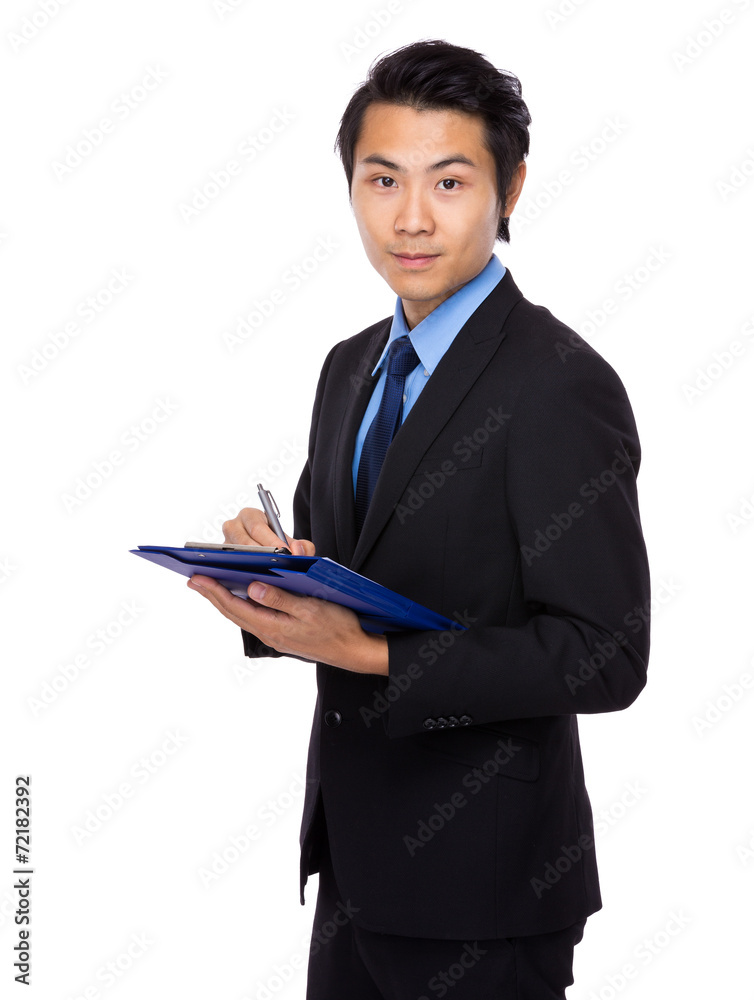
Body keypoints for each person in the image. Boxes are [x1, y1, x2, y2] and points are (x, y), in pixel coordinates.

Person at [188, 38, 650, 1000]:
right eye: (381, 179)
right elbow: (340, 572)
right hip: (351, 868)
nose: (409, 218)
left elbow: (605, 656)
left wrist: (372, 656)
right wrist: (270, 578)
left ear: (509, 189)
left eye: (448, 182)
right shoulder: (349, 364)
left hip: (486, 890)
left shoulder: (558, 384)